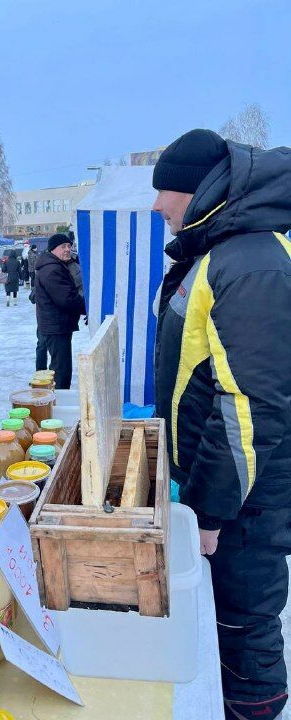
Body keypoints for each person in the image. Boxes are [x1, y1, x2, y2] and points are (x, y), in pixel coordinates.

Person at [152, 129, 291, 720]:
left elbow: (248, 410)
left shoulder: (251, 263)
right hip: (229, 495)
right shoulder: (222, 252)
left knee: (244, 630)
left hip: (245, 505)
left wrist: (209, 512)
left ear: (196, 190)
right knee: (226, 620)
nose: (156, 205)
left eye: (164, 191)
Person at [34, 233, 86, 389]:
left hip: (57, 325)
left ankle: (55, 399)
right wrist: (89, 309)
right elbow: (67, 299)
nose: (67, 249)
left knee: (60, 367)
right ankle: (57, 402)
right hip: (56, 326)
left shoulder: (56, 265)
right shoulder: (52, 270)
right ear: (53, 249)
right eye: (63, 246)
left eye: (69, 246)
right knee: (61, 370)